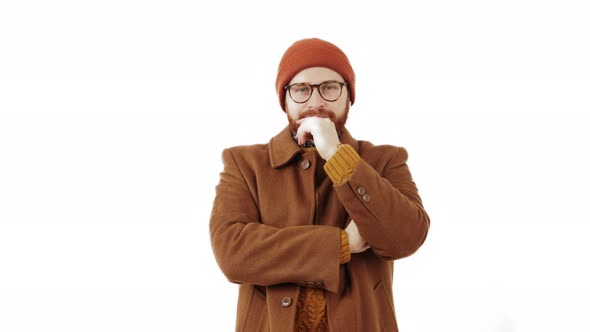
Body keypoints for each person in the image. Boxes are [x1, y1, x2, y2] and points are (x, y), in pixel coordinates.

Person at [209, 37, 430, 332]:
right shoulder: (245, 163)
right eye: (301, 89)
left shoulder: (385, 161)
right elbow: (232, 254)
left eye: (329, 87)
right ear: (284, 99)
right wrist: (342, 243)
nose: (316, 102)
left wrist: (336, 154)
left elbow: (406, 237)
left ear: (348, 95)